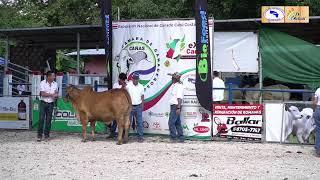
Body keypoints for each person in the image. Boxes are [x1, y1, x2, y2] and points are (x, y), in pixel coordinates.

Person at [37, 71, 58, 142]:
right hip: (43, 103)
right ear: (48, 76)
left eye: (54, 76)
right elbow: (42, 94)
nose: (54, 77)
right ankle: (39, 135)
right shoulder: (42, 83)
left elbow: (56, 93)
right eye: (53, 76)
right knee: (41, 119)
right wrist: (52, 95)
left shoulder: (55, 84)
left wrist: (55, 95)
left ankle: (46, 135)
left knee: (49, 120)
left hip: (51, 103)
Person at [107, 73, 127, 138]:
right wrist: (122, 87)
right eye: (122, 80)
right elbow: (113, 94)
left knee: (122, 120)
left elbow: (126, 95)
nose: (123, 81)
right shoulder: (115, 85)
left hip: (123, 106)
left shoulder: (127, 85)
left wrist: (124, 86)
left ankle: (123, 134)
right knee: (115, 120)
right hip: (115, 106)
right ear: (119, 79)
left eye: (124, 80)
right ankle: (112, 133)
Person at [126, 72, 144, 142]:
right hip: (130, 106)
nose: (136, 80)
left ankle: (140, 137)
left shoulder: (141, 86)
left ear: (138, 79)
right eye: (134, 79)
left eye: (137, 79)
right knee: (128, 122)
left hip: (138, 106)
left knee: (139, 122)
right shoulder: (128, 86)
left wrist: (142, 105)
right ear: (132, 79)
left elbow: (142, 96)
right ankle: (126, 136)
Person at [168, 72, 184, 143]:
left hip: (175, 106)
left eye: (172, 78)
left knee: (171, 123)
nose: (171, 79)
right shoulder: (175, 85)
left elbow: (179, 98)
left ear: (175, 79)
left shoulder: (179, 86)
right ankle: (181, 137)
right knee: (177, 123)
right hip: (174, 106)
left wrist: (178, 108)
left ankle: (173, 137)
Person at [313, 87, 320, 156]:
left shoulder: (318, 89)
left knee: (318, 130)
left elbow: (315, 102)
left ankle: (318, 150)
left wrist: (315, 110)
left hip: (318, 109)